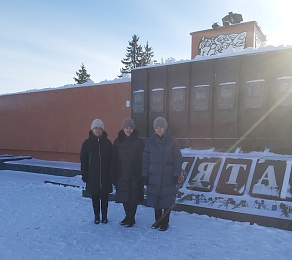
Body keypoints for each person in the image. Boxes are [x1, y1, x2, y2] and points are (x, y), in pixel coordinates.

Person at [142, 117, 182, 231]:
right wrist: (145, 175)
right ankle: (157, 221)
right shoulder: (150, 142)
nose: (159, 129)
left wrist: (176, 174)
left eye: (161, 127)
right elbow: (145, 160)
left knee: (167, 201)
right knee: (156, 200)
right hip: (154, 176)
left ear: (165, 128)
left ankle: (165, 223)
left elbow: (178, 159)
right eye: (157, 127)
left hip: (168, 177)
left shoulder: (173, 142)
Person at [110, 118, 144, 227]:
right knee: (124, 197)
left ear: (133, 129)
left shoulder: (139, 142)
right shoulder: (117, 141)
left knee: (133, 198)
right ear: (123, 129)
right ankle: (127, 215)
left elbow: (142, 159)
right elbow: (113, 159)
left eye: (130, 128)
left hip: (135, 175)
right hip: (122, 174)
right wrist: (113, 175)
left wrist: (141, 174)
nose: (128, 130)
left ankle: (131, 217)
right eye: (126, 127)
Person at [80, 118, 112, 224]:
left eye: (100, 128)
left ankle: (104, 216)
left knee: (105, 198)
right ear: (92, 130)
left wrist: (112, 174)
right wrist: (84, 174)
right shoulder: (87, 144)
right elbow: (83, 160)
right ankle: (97, 216)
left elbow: (112, 159)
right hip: (93, 176)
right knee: (95, 197)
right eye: (96, 128)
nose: (98, 130)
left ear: (103, 130)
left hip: (105, 175)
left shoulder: (107, 143)